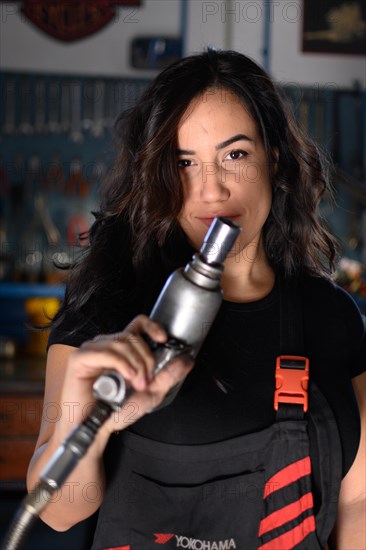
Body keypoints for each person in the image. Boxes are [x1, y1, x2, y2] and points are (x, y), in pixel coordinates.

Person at [27, 49, 365, 549]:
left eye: (235, 155)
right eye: (185, 163)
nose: (212, 190)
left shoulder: (333, 316)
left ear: (273, 159)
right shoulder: (106, 309)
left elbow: (357, 500)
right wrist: (97, 418)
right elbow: (57, 514)